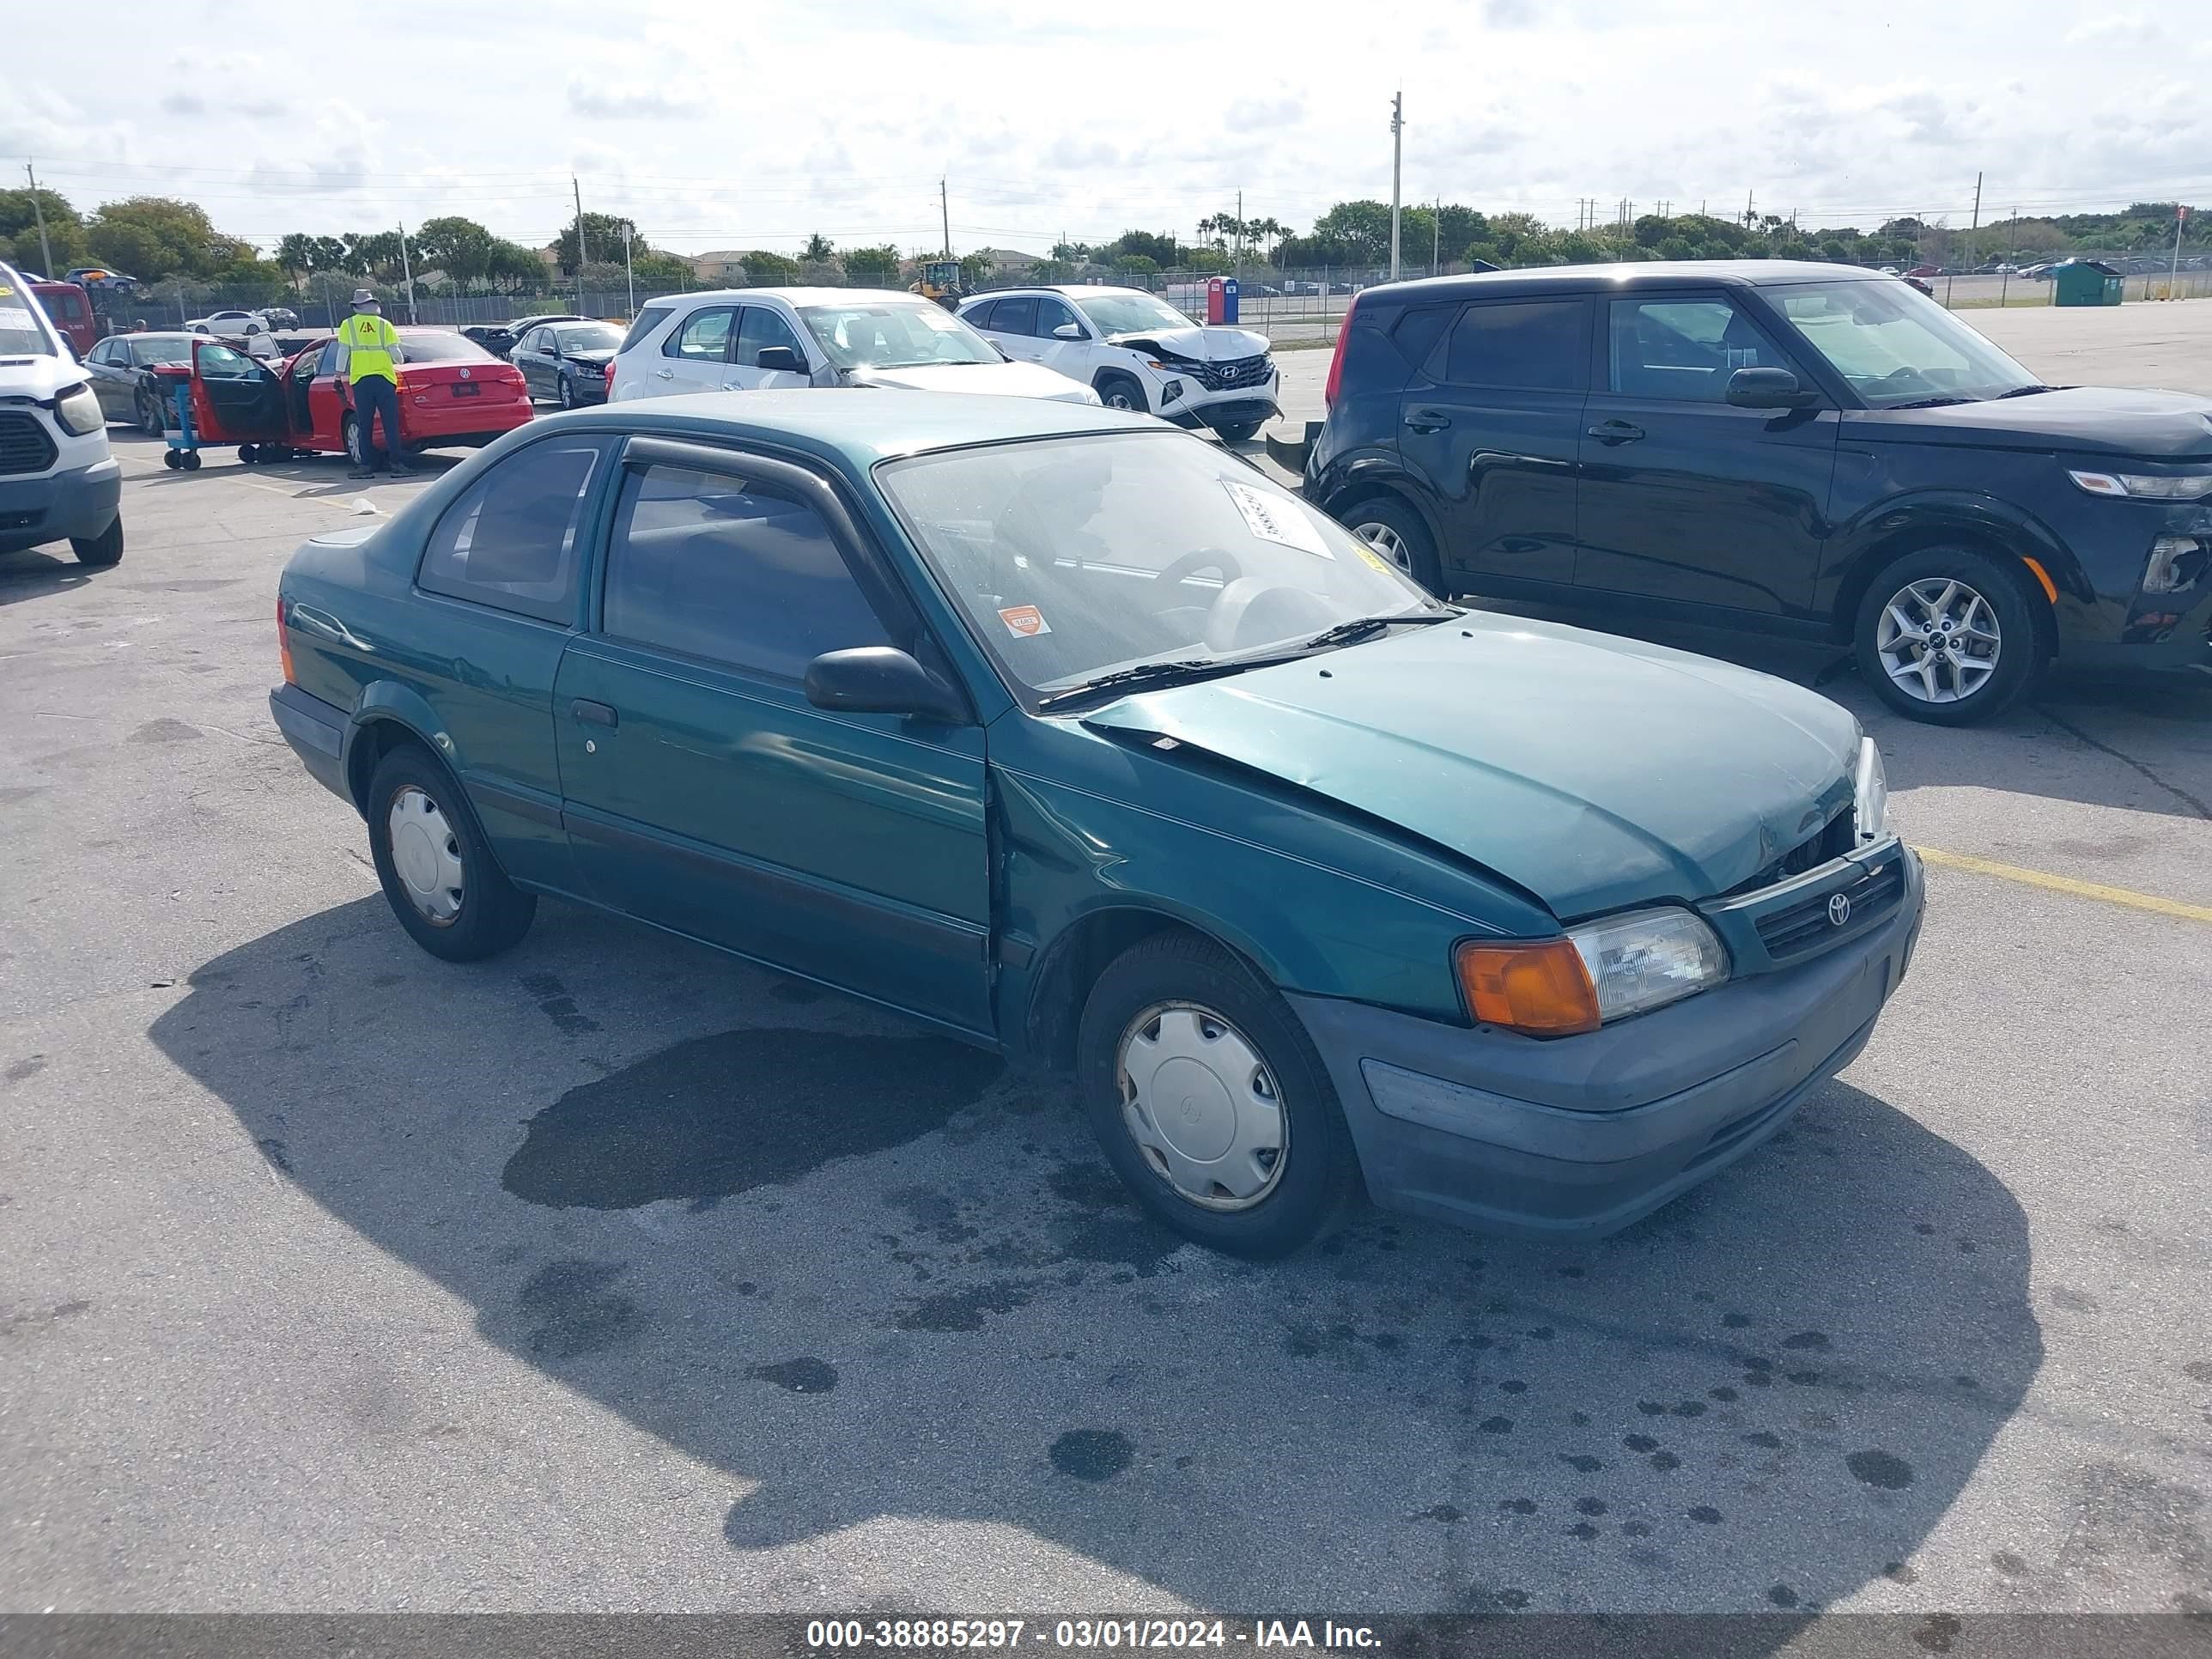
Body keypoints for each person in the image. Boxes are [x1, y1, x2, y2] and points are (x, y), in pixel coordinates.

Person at [336, 288, 407, 478]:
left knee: (364, 424)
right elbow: (396, 355)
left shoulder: (348, 325)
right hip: (384, 379)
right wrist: (401, 361)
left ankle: (366, 466)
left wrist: (338, 374)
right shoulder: (385, 325)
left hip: (361, 380)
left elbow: (343, 351)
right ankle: (397, 464)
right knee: (390, 423)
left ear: (356, 307)